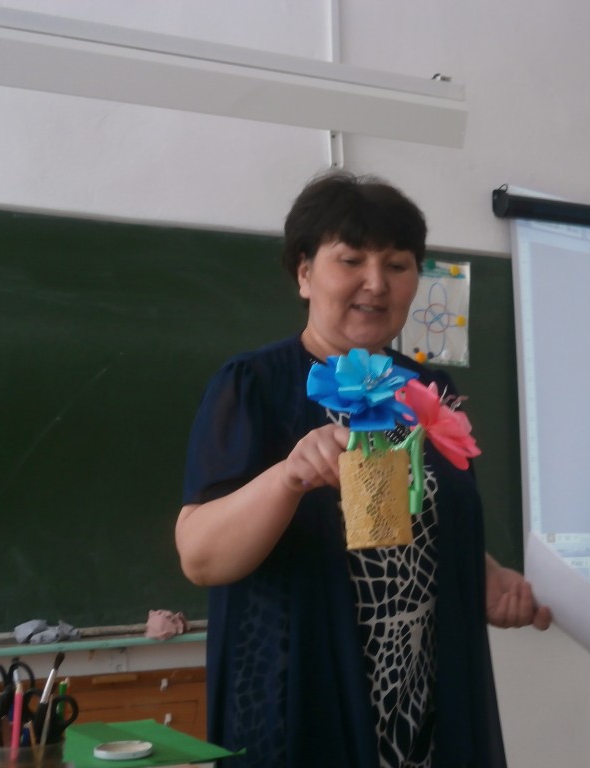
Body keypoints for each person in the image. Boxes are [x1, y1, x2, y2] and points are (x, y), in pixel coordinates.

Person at [175, 170, 551, 768]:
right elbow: (199, 556)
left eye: (398, 265)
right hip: (299, 709)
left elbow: (425, 523)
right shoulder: (255, 385)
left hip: (422, 714)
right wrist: (288, 478)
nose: (376, 283)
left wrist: (487, 574)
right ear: (304, 273)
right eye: (351, 260)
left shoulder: (428, 391)